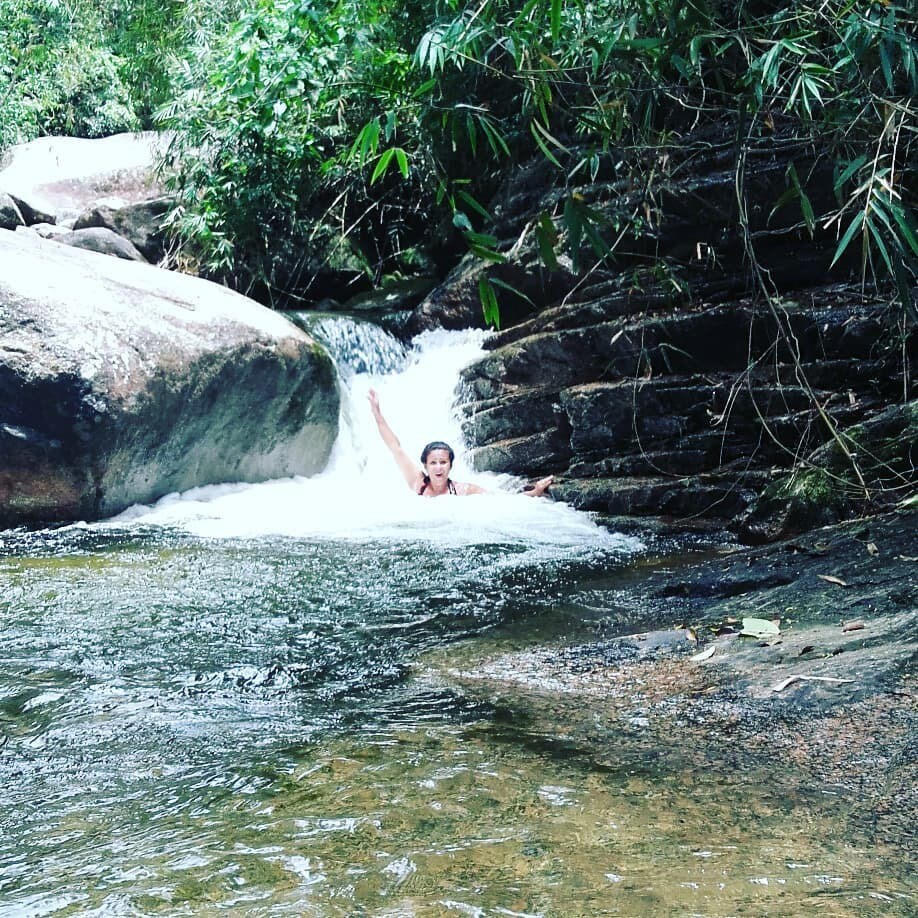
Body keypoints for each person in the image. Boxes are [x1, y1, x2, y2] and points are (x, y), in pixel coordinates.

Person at [368, 389, 553, 498]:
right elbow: (395, 447)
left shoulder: (463, 490)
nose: (438, 467)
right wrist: (377, 413)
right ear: (425, 466)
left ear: (450, 465)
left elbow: (501, 501)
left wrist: (534, 492)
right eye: (433, 463)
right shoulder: (417, 483)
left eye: (443, 462)